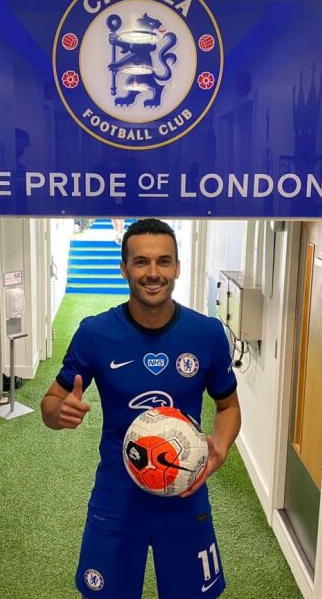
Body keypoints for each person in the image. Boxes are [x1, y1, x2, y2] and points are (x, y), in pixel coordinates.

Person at [41, 218, 241, 598]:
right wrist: (58, 413)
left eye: (164, 261)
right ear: (124, 268)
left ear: (177, 267)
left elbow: (228, 406)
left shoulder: (207, 334)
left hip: (185, 490)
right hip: (118, 495)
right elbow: (49, 403)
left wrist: (222, 446)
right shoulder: (95, 333)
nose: (153, 273)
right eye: (141, 262)